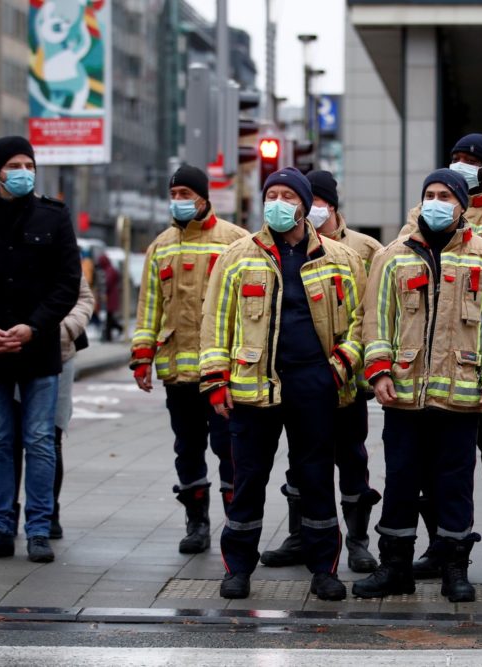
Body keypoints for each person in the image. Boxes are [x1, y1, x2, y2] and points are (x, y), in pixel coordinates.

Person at [352, 169, 482, 603]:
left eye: (446, 195)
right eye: (430, 194)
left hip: (461, 399)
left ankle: (454, 570)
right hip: (404, 396)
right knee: (401, 484)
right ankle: (395, 568)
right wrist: (380, 371)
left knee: (455, 486)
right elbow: (375, 322)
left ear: (463, 205)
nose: (436, 201)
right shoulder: (392, 257)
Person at [200, 167, 366, 601]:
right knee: (248, 479)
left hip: (315, 384)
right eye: (271, 194)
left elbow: (363, 323)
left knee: (315, 480)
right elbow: (216, 323)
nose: (278, 202)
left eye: (288, 196)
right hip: (253, 387)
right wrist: (216, 381)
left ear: (305, 205)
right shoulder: (238, 257)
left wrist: (339, 368)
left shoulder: (340, 258)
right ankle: (238, 568)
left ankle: (324, 570)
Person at [398, 134, 482, 589]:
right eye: (457, 158)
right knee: (438, 466)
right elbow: (403, 264)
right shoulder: (423, 211)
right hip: (435, 366)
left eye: (473, 161)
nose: (462, 165)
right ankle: (443, 548)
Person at [0, 135, 81, 564]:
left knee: (40, 440)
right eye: (14, 165)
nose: (23, 172)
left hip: (38, 348)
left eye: (29, 164)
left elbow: (67, 283)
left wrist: (33, 327)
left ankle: (39, 530)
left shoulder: (54, 216)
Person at [260, 170, 383, 574]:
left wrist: (348, 368)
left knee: (351, 459)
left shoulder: (363, 249)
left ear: (329, 205)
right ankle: (301, 536)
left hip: (346, 381)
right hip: (301, 383)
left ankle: (359, 541)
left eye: (316, 203)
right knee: (303, 463)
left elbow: (370, 315)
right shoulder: (282, 248)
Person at [129, 165, 249, 554]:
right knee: (188, 448)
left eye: (186, 193)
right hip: (177, 372)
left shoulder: (235, 241)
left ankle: (237, 521)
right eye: (174, 192)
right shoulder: (160, 246)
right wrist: (141, 356)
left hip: (222, 373)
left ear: (203, 197)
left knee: (228, 448)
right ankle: (196, 523)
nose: (179, 200)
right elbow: (149, 307)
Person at [12, 275, 95, 539]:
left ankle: (48, 514)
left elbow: (83, 297)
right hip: (10, 353)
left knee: (50, 437)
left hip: (57, 355)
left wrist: (62, 331)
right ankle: (6, 515)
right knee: (9, 439)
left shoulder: (58, 241)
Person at [98, 254, 121, 342]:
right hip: (111, 296)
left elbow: (108, 283)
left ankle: (108, 336)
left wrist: (104, 292)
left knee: (109, 317)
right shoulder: (110, 269)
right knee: (109, 317)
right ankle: (109, 335)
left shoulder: (109, 270)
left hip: (110, 297)